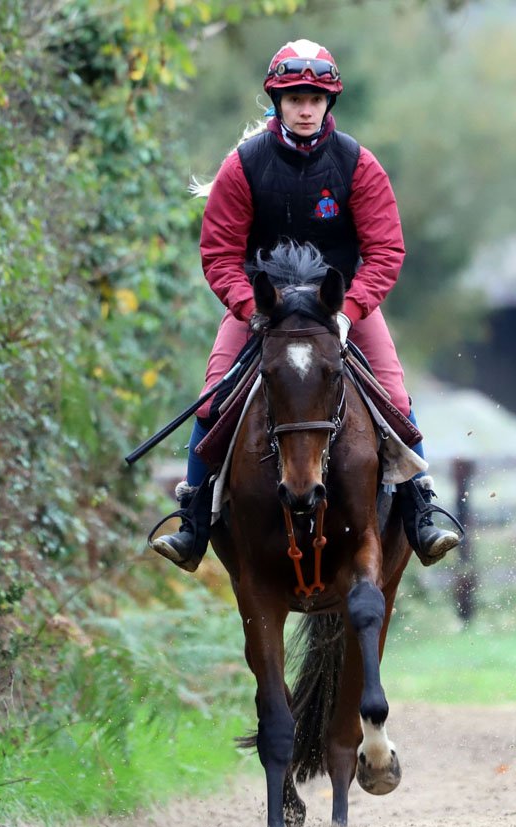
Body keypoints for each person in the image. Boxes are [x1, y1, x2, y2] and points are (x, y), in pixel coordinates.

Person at [150, 38, 460, 572]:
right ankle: (194, 521)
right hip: (263, 307)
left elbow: (386, 251)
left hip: (341, 307)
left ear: (328, 103)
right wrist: (250, 308)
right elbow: (220, 253)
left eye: (315, 98)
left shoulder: (358, 164)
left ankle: (421, 509)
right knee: (212, 399)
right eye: (295, 98)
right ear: (278, 100)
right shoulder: (243, 166)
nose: (305, 108)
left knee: (394, 394)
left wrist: (349, 311)